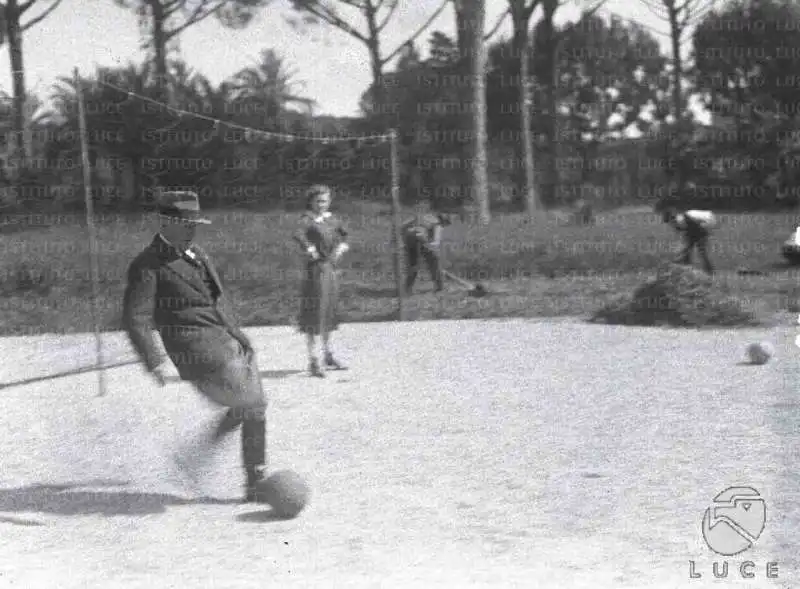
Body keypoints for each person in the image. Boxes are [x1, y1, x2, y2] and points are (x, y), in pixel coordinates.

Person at [122, 190, 268, 502]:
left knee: (251, 407)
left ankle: (242, 474)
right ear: (164, 222)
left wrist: (239, 337)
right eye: (184, 223)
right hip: (196, 349)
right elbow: (136, 318)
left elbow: (217, 300)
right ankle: (251, 477)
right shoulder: (148, 265)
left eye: (195, 223)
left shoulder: (198, 254)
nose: (192, 229)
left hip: (227, 341)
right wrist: (154, 360)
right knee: (252, 403)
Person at [293, 184, 349, 378]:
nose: (321, 205)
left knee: (329, 311)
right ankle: (313, 360)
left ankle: (327, 355)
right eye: (318, 201)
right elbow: (298, 235)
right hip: (315, 271)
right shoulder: (307, 219)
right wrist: (310, 249)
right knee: (314, 313)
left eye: (325, 201)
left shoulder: (332, 219)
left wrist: (341, 248)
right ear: (311, 201)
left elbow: (345, 235)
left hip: (331, 270)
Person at [402, 205, 451, 293]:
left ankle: (407, 288)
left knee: (413, 265)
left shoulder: (424, 216)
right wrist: (428, 245)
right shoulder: (438, 224)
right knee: (434, 261)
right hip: (419, 238)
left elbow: (403, 226)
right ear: (443, 222)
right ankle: (440, 287)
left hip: (409, 238)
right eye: (445, 225)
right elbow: (435, 242)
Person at [662, 205, 716, 275]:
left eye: (669, 221)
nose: (670, 225)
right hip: (698, 225)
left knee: (701, 251)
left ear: (672, 218)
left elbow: (698, 231)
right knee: (688, 250)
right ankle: (687, 269)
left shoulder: (683, 219)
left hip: (707, 220)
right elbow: (683, 237)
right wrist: (680, 251)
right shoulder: (679, 222)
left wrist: (683, 250)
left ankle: (710, 272)